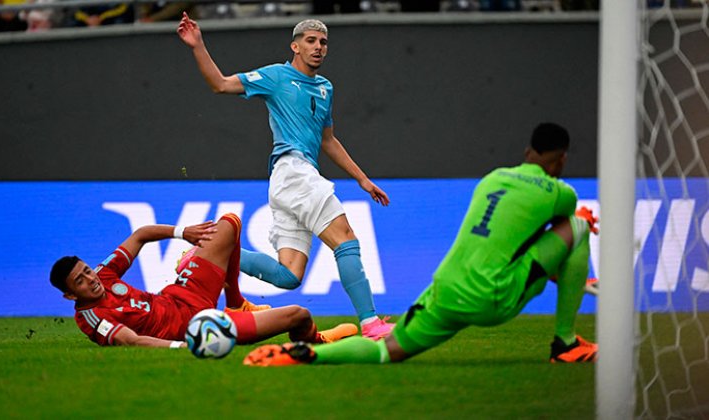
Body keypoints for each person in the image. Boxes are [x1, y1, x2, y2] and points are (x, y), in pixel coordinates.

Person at [242, 123, 600, 366]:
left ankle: (304, 355)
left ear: (527, 151)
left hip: (445, 289)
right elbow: (545, 242)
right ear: (562, 158)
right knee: (579, 225)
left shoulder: (493, 179)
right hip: (495, 295)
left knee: (386, 351)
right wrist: (575, 274)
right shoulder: (560, 192)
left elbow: (508, 242)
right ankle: (565, 344)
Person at [176, 15, 394, 339]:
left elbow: (327, 139)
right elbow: (219, 84)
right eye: (310, 41)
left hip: (292, 180)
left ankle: (205, 252)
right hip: (293, 172)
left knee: (289, 275)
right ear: (295, 46)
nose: (318, 48)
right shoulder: (277, 76)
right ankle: (371, 324)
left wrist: (362, 179)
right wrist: (198, 46)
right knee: (345, 238)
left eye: (323, 43)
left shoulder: (325, 88)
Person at [49, 213, 358, 349]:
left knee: (228, 224)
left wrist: (184, 233)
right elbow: (129, 340)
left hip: (182, 294)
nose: (91, 279)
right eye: (80, 281)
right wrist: (182, 346)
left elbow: (141, 234)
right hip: (200, 327)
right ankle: (317, 343)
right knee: (298, 315)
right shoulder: (90, 317)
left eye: (87, 270)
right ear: (69, 296)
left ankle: (237, 302)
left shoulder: (104, 274)